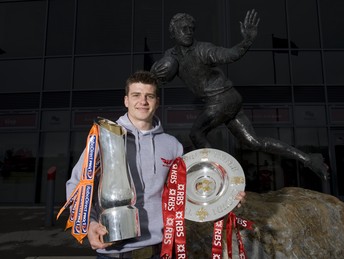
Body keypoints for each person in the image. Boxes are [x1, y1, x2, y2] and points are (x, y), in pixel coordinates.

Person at [65, 70, 246, 259]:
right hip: (114, 251)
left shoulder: (172, 145)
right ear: (126, 100)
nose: (142, 102)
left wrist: (226, 198)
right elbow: (77, 185)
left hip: (161, 249)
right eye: (136, 95)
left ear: (157, 102)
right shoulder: (104, 137)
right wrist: (89, 225)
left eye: (149, 96)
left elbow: (187, 191)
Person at [151, 10, 329, 180]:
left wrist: (247, 41)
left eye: (191, 29)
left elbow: (230, 54)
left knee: (197, 133)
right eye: (184, 29)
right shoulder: (170, 56)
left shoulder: (203, 49)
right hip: (226, 100)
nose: (189, 32)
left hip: (222, 99)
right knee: (254, 142)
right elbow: (160, 77)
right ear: (173, 32)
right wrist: (154, 75)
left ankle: (216, 177)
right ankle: (309, 159)